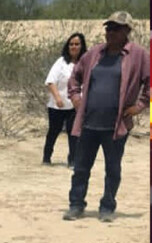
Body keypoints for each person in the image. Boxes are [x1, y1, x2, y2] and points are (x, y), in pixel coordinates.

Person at [63, 11, 149, 222]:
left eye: (115, 29)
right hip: (89, 123)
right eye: (108, 28)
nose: (110, 32)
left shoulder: (138, 55)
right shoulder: (94, 53)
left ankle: (107, 207)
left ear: (127, 31)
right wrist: (75, 99)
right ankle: (76, 205)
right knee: (81, 167)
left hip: (116, 125)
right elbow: (74, 78)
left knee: (112, 169)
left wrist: (140, 106)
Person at [42, 33, 86, 167]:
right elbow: (51, 81)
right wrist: (57, 98)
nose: (74, 47)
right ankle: (47, 157)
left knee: (74, 133)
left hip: (75, 105)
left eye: (77, 44)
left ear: (82, 46)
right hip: (58, 105)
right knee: (53, 131)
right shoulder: (61, 62)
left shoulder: (85, 62)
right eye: (71, 44)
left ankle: (72, 160)